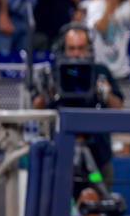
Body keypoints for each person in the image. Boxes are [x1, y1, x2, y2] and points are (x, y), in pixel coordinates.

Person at [32, 23, 124, 190]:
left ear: (89, 48)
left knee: (98, 198)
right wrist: (45, 93)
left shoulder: (100, 71)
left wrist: (106, 93)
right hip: (60, 155)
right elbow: (36, 108)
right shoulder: (53, 73)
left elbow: (118, 108)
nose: (76, 54)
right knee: (58, 200)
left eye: (81, 48)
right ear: (63, 48)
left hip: (96, 156)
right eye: (71, 48)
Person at [79, 0, 130, 78]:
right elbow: (101, 27)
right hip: (99, 70)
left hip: (122, 70)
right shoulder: (95, 5)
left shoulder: (126, 6)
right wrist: (109, 6)